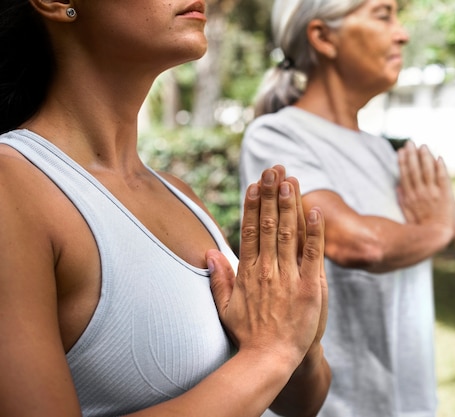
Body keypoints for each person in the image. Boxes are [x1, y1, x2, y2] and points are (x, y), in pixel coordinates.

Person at [0, 1, 331, 416]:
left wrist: (301, 336)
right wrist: (271, 353)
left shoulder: (181, 195)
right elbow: (267, 364)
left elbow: (301, 402)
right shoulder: (12, 188)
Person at [239, 0, 455, 416]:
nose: (402, 33)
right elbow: (357, 243)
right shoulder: (277, 137)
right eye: (383, 14)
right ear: (322, 36)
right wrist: (440, 230)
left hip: (409, 403)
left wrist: (444, 223)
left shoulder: (381, 151)